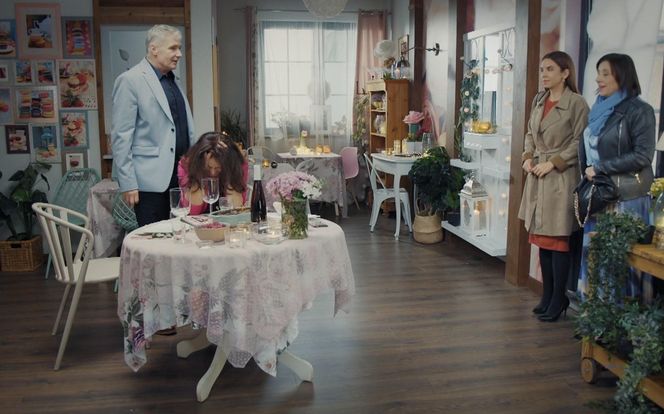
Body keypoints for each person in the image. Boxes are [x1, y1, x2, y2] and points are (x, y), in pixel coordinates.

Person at [577, 53, 656, 301]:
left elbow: (643, 155)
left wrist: (600, 168)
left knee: (617, 265)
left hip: (625, 198)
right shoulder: (600, 109)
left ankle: (618, 319)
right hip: (600, 196)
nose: (598, 79)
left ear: (622, 76)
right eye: (598, 73)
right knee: (595, 259)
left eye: (605, 73)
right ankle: (594, 316)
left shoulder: (640, 110)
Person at [518, 51, 589, 322]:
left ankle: (559, 298)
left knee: (557, 240)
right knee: (542, 241)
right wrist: (527, 157)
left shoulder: (577, 103)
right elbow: (529, 133)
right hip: (537, 175)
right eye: (542, 69)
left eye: (549, 69)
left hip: (561, 177)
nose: (544, 74)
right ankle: (547, 295)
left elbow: (580, 141)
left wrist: (553, 163)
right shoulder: (539, 100)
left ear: (565, 73)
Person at [111, 24, 195, 227]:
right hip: (149, 184)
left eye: (179, 48)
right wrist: (128, 183)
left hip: (180, 178)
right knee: (154, 239)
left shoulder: (174, 81)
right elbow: (121, 136)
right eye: (173, 48)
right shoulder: (129, 80)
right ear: (153, 49)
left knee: (180, 237)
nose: (179, 54)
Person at [177, 132, 248, 215]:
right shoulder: (187, 164)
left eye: (218, 168)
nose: (213, 173)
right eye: (209, 167)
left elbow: (236, 209)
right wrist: (200, 172)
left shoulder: (238, 165)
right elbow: (192, 211)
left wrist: (229, 169)